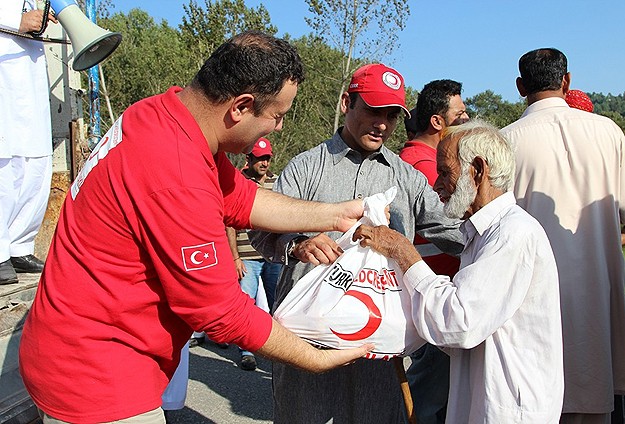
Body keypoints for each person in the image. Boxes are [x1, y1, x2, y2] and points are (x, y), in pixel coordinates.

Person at [18, 31, 374, 424]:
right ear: (241, 106)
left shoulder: (163, 113)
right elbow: (221, 310)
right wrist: (315, 358)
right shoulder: (176, 170)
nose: (278, 129)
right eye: (277, 116)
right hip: (96, 378)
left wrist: (340, 213)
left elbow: (241, 198)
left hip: (71, 347)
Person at [250, 63, 464, 424]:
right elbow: (261, 228)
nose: (382, 124)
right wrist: (298, 243)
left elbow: (453, 233)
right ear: (347, 102)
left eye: (392, 115)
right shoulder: (306, 168)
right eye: (373, 110)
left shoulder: (406, 178)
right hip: (307, 340)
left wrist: (501, 230)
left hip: (379, 349)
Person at [353, 119, 564, 423]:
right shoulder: (485, 232)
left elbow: (458, 323)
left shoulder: (511, 234)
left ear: (478, 171)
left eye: (445, 172)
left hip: (507, 407)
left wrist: (403, 252)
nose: (437, 185)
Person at [501, 47, 625, 424]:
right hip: (600, 292)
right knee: (595, 405)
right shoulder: (609, 132)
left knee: (542, 402)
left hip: (535, 297)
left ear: (520, 86)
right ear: (566, 81)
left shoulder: (505, 142)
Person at [399, 79, 469, 424]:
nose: (467, 117)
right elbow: (447, 225)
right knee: (428, 395)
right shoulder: (423, 165)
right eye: (460, 112)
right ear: (437, 121)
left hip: (436, 287)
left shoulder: (419, 159)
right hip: (433, 290)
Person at [0, 0, 57, 284]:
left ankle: (19, 246)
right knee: (4, 161)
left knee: (35, 162)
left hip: (28, 68)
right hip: (4, 67)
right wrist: (16, 20)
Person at [226, 136, 283, 371]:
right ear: (248, 159)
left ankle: (279, 348)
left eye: (267, 158)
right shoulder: (236, 182)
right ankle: (247, 351)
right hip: (247, 257)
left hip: (273, 256)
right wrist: (235, 258)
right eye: (259, 158)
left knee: (278, 303)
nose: (264, 163)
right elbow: (228, 224)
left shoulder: (278, 182)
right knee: (246, 305)